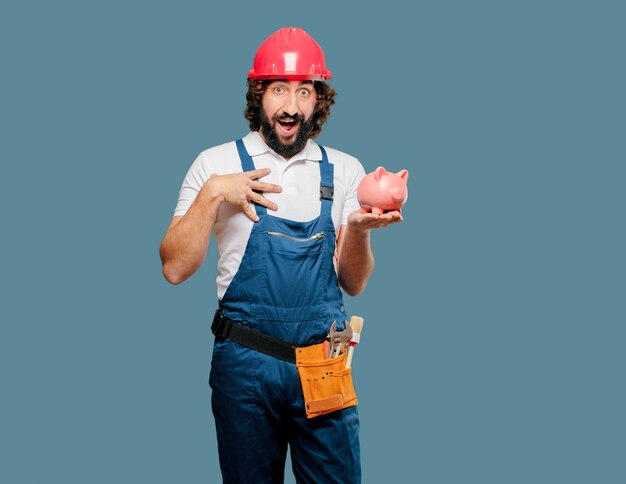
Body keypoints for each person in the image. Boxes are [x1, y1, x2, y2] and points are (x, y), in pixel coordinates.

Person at [159, 27, 403, 483]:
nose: (290, 105)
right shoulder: (214, 164)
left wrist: (358, 230)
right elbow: (174, 268)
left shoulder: (345, 169)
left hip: (324, 363)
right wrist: (214, 194)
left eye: (304, 91)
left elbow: (355, 283)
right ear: (259, 94)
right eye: (278, 89)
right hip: (244, 366)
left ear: (318, 100)